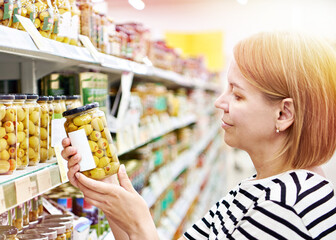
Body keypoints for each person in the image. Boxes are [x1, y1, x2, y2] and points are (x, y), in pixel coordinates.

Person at [61, 31, 336, 239]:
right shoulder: (263, 186)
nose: (219, 102)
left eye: (237, 94)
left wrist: (140, 224)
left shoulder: (283, 209)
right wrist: (110, 193)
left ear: (283, 114)